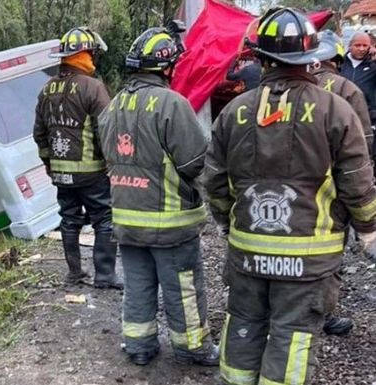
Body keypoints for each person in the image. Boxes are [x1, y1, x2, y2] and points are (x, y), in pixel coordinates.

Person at [206, 8, 376, 385]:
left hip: (248, 251)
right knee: (292, 334)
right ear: (311, 56)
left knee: (244, 324)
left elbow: (215, 182)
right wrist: (368, 229)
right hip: (308, 260)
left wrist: (228, 223)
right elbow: (357, 182)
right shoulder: (336, 110)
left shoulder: (234, 111)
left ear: (259, 56)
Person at [98, 21, 218, 367]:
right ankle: (192, 348)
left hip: (126, 219)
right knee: (183, 289)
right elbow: (196, 161)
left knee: (137, 285)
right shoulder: (171, 103)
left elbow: (106, 157)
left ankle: (139, 346)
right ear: (167, 66)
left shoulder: (115, 105)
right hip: (169, 221)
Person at [33, 26, 122, 289]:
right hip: (92, 172)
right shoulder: (93, 87)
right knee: (104, 219)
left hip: (61, 173)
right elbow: (106, 130)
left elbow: (39, 133)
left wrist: (49, 165)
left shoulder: (46, 89)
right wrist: (113, 165)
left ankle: (74, 274)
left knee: (69, 219)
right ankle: (104, 276)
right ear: (86, 54)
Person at [314, 30, 374, 337]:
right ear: (338, 57)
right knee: (330, 246)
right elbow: (361, 147)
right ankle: (323, 313)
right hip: (334, 185)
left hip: (293, 183)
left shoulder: (292, 87)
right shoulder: (346, 89)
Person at [340, 31, 376, 159]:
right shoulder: (340, 64)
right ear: (350, 46)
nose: (361, 49)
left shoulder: (372, 66)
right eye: (357, 45)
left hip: (368, 120)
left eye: (365, 45)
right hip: (342, 117)